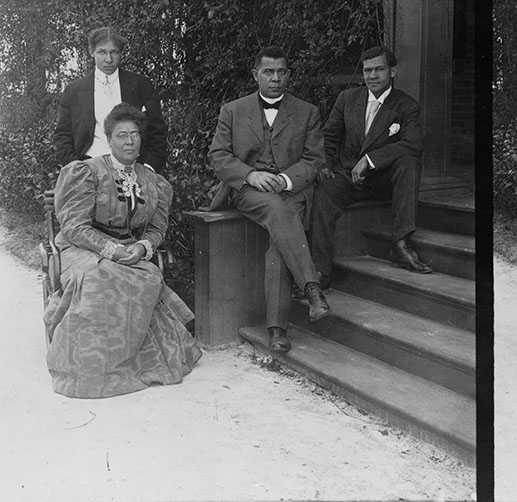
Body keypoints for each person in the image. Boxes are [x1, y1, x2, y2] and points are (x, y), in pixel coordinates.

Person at [42, 104, 200, 398]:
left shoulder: (153, 182)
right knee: (97, 276)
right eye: (122, 135)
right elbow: (75, 226)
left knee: (149, 277)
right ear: (109, 139)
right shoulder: (87, 172)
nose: (130, 142)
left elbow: (156, 229)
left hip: (130, 249)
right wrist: (109, 249)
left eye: (135, 135)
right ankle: (93, 365)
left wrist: (143, 247)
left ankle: (128, 360)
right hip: (82, 246)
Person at [207, 46, 332, 353]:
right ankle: (312, 288)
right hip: (249, 192)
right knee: (278, 209)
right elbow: (218, 155)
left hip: (292, 189)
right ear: (256, 75)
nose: (275, 79)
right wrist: (250, 175)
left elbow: (314, 159)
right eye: (268, 72)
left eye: (281, 72)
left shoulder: (307, 112)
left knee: (281, 229)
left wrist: (287, 179)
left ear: (288, 75)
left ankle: (277, 330)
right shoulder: (233, 110)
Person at [310, 45, 431, 276]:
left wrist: (370, 159)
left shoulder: (406, 105)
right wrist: (324, 165)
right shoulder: (347, 98)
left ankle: (401, 244)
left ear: (392, 72)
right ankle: (319, 273)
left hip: (384, 181)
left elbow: (413, 144)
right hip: (348, 177)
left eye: (379, 69)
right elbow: (329, 137)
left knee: (409, 162)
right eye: (367, 70)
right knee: (324, 190)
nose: (372, 76)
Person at [53, 27, 168, 173]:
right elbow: (62, 135)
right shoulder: (74, 91)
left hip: (133, 168)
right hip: (88, 169)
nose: (108, 59)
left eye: (114, 52)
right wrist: (75, 167)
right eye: (102, 52)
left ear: (121, 53)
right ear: (91, 52)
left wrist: (148, 167)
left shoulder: (140, 85)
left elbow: (157, 130)